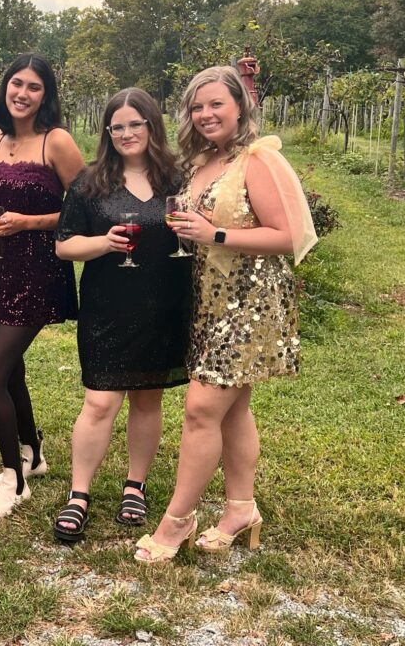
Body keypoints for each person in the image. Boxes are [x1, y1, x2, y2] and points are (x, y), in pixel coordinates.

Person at [133, 66, 317, 563]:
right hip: (209, 300)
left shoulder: (258, 159)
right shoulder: (200, 162)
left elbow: (289, 236)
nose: (206, 114)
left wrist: (214, 234)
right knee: (234, 409)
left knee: (200, 409)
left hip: (250, 302)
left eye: (216, 103)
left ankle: (177, 521)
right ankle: (241, 510)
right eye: (197, 106)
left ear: (240, 106)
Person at [52, 88, 190, 543]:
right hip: (107, 308)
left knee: (148, 400)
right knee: (99, 402)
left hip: (164, 305)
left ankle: (135, 485)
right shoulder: (90, 182)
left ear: (152, 125)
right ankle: (79, 494)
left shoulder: (178, 179)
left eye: (135, 124)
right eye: (117, 127)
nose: (126, 133)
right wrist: (104, 243)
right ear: (107, 132)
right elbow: (64, 245)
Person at [0, 53, 84, 521]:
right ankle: (33, 453)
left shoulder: (57, 141)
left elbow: (85, 209)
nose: (22, 93)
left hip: (37, 272)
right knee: (10, 371)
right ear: (5, 88)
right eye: (16, 83)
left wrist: (27, 222)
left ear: (46, 95)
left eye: (34, 87)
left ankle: (13, 481)